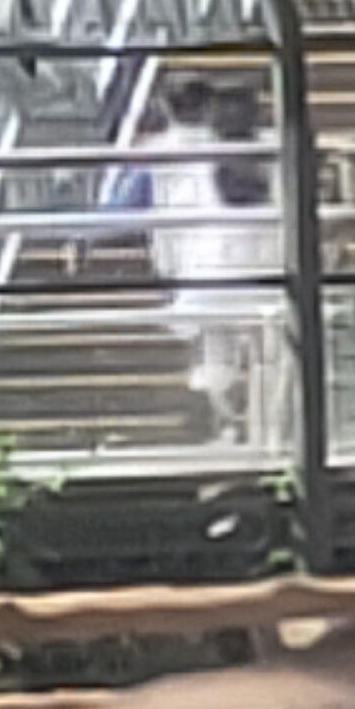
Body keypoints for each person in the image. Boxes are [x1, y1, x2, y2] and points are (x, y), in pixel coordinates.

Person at [144, 73, 288, 456]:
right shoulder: (273, 150)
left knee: (219, 353)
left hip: (207, 273)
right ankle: (265, 431)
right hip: (263, 271)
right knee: (267, 352)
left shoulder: (172, 152)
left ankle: (232, 427)